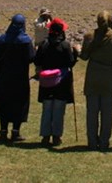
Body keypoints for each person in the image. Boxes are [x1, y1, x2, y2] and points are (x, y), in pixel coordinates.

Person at [80, 10, 112, 151]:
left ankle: (92, 142)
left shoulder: (89, 36)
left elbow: (84, 57)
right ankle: (104, 142)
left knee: (92, 112)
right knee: (107, 112)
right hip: (109, 78)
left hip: (92, 76)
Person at [0, 14, 35, 143]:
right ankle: (15, 132)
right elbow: (31, 58)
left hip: (5, 76)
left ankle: (3, 131)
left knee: (5, 101)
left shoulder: (4, 39)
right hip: (20, 77)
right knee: (19, 103)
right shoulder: (26, 41)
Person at [35, 17, 77, 146]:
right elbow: (70, 63)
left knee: (47, 108)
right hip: (61, 82)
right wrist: (75, 53)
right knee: (59, 109)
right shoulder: (65, 45)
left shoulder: (44, 44)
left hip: (47, 81)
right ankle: (56, 136)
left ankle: (45, 136)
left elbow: (37, 61)